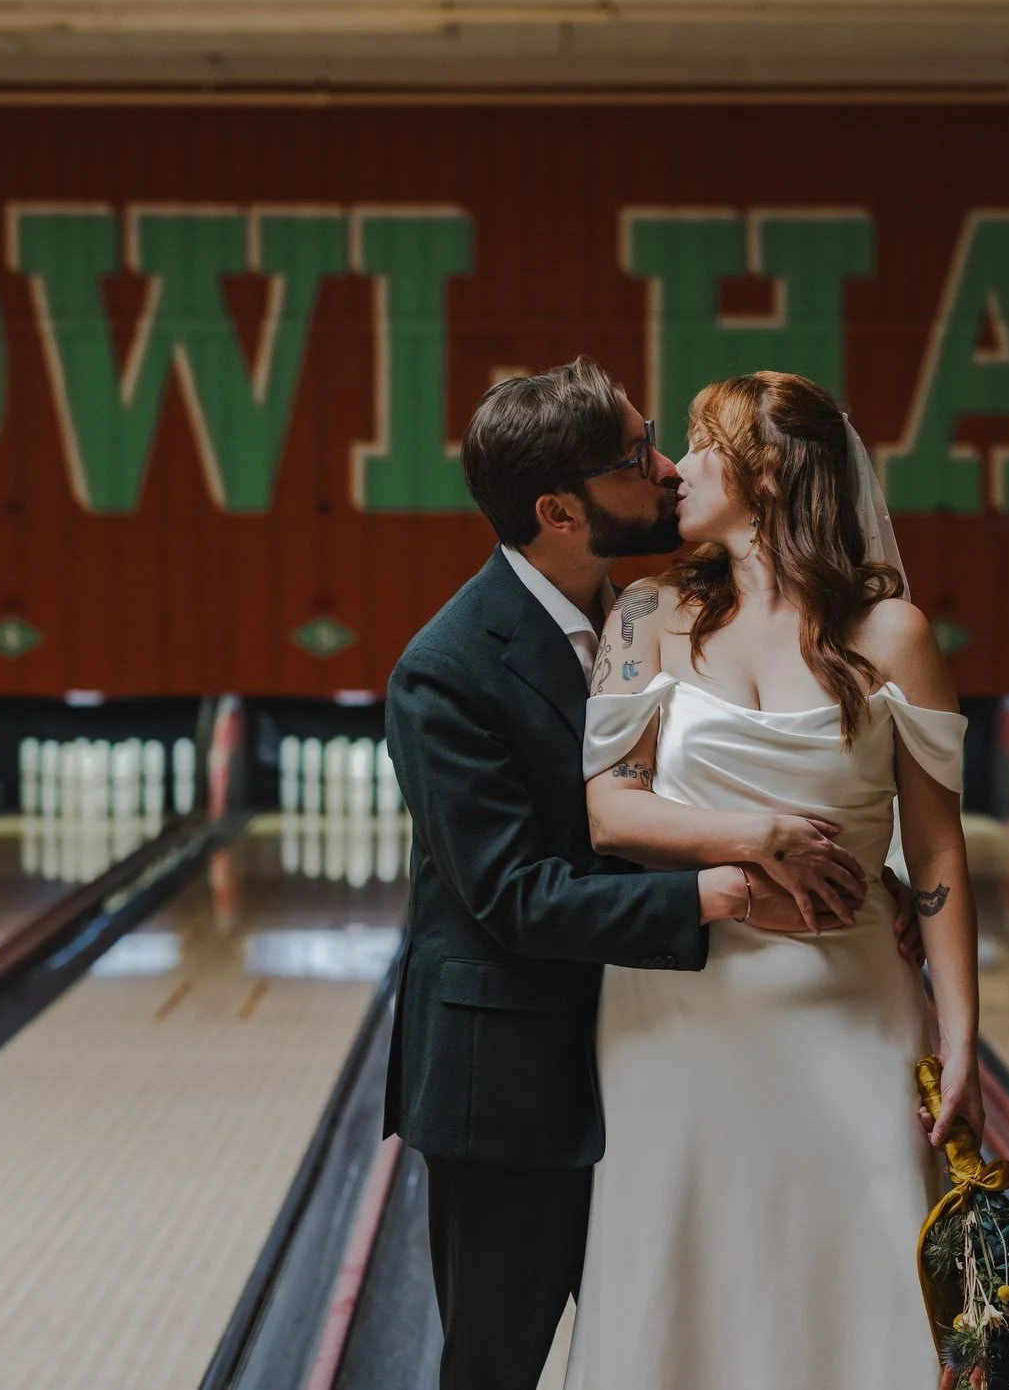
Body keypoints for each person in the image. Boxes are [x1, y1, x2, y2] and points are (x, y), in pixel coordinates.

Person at [383, 357, 911, 1390]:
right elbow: (514, 894)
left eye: (661, 438)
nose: (669, 469)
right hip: (515, 1088)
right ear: (559, 510)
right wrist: (721, 886)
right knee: (494, 1367)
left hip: (667, 1056)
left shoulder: (653, 616)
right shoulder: (443, 670)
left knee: (675, 1348)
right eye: (637, 457)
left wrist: (872, 870)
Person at [564, 370, 983, 1389]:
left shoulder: (893, 637)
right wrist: (752, 835)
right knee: (682, 1266)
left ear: (769, 468)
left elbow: (934, 849)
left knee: (863, 1263)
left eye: (704, 446)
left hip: (849, 1001)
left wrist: (963, 1029)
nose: (676, 470)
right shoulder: (647, 612)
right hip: (683, 1001)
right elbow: (608, 808)